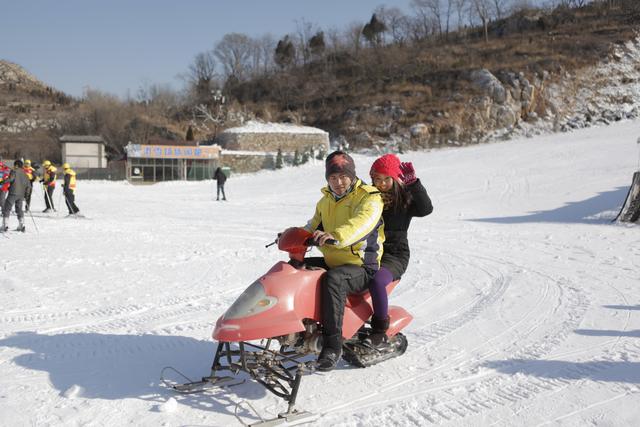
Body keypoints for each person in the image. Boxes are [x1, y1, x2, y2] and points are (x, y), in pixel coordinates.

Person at [301, 151, 385, 371]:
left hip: (362, 266)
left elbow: (361, 224)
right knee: (298, 269)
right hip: (334, 260)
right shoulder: (325, 201)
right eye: (333, 178)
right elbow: (311, 226)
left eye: (343, 177)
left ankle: (332, 346)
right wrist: (292, 235)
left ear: (352, 175)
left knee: (333, 279)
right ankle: (298, 329)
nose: (338, 182)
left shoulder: (369, 197)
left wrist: (336, 235)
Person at [365, 153, 433, 347]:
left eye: (387, 178)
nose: (382, 183)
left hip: (394, 255)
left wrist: (413, 185)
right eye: (377, 179)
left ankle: (379, 330)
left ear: (395, 179)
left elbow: (426, 209)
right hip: (367, 252)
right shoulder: (368, 199)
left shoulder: (404, 200)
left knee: (377, 281)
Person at [1, 160, 30, 232]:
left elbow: (10, 179)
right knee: (19, 209)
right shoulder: (25, 174)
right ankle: (21, 225)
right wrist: (26, 195)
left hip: (13, 193)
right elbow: (29, 186)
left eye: (14, 165)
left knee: (7, 208)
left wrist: (2, 181)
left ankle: (5, 225)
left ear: (16, 165)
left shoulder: (14, 171)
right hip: (21, 194)